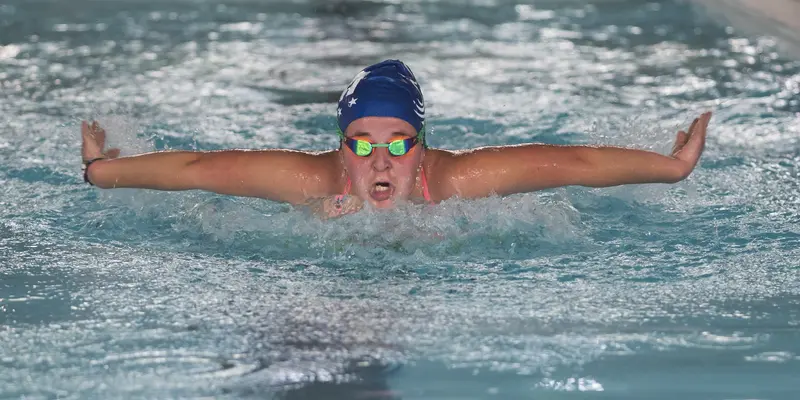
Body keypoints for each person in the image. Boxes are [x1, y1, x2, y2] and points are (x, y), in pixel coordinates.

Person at [81, 59, 711, 219]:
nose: (379, 158)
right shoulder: (311, 181)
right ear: (338, 146)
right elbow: (196, 168)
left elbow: (574, 162)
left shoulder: (457, 179)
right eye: (361, 143)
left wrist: (670, 168)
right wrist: (102, 171)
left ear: (424, 145)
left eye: (398, 142)